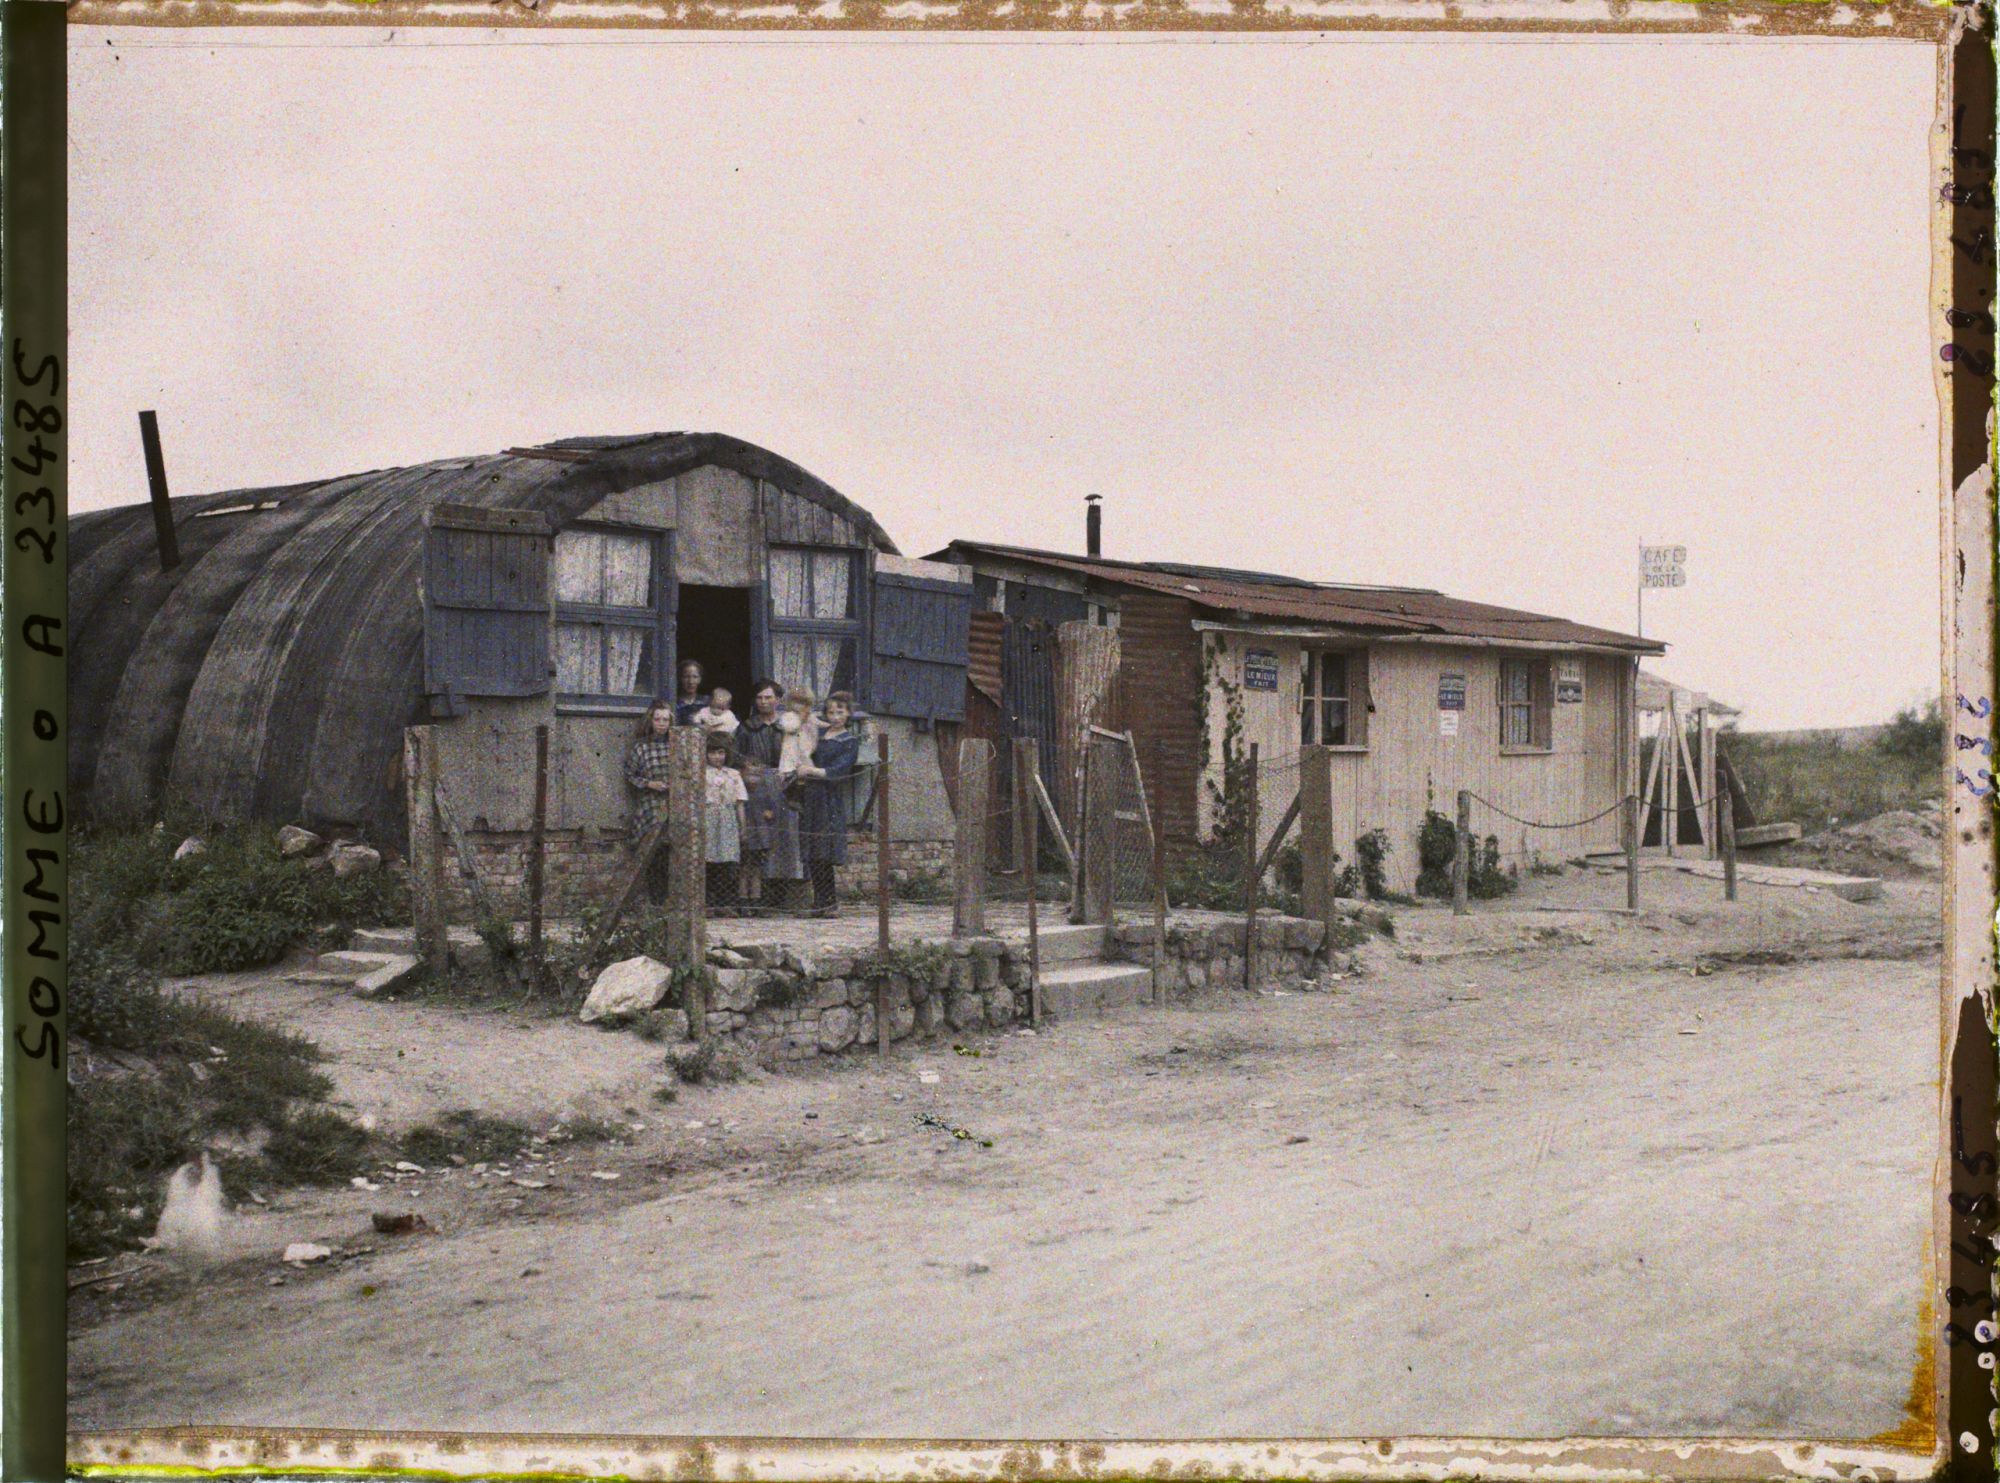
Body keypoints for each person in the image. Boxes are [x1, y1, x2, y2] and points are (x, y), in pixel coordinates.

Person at [795, 691, 862, 917]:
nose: (835, 717)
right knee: (813, 850)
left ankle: (830, 902)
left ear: (849, 713)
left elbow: (839, 771)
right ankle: (818, 902)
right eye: (831, 712)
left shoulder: (849, 741)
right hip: (811, 796)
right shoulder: (819, 733)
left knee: (824, 850)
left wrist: (811, 770)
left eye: (840, 712)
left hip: (829, 797)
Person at [624, 699, 676, 903]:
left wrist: (675, 784)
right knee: (654, 853)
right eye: (657, 719)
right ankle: (657, 900)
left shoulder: (676, 746)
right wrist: (649, 784)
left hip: (675, 803)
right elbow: (630, 774)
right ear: (651, 721)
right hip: (651, 804)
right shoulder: (641, 747)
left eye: (665, 719)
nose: (661, 723)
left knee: (674, 852)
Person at [703, 735, 748, 915]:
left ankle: (725, 904)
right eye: (713, 753)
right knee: (709, 860)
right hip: (708, 817)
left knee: (727, 861)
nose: (717, 757)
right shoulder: (702, 774)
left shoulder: (733, 774)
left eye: (721, 753)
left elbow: (739, 802)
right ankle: (708, 904)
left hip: (728, 819)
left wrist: (742, 827)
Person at [737, 753, 784, 917]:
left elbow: (773, 812)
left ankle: (756, 901)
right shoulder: (740, 790)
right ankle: (743, 901)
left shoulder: (765, 792)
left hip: (760, 836)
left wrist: (770, 813)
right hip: (744, 835)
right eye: (750, 774)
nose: (753, 779)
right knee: (743, 869)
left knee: (757, 869)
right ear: (742, 773)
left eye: (757, 775)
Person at [735, 678, 785, 769]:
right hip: (756, 777)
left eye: (768, 697)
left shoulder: (787, 725)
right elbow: (737, 756)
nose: (763, 702)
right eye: (759, 698)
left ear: (777, 700)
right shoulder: (747, 727)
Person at [673, 659, 706, 726]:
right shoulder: (674, 703)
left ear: (700, 679)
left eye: (695, 677)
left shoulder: (707, 702)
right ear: (680, 678)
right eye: (686, 677)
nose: (691, 681)